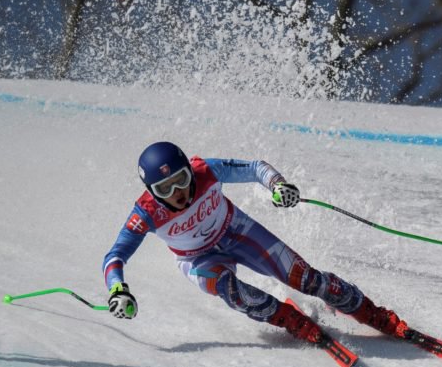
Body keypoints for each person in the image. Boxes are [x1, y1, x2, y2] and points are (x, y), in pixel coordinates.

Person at [102, 141, 408, 345]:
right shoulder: (146, 213)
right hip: (197, 260)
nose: (179, 192)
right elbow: (115, 257)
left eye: (181, 180)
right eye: (165, 189)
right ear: (151, 191)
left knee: (306, 278)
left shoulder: (204, 171)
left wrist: (278, 186)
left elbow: (254, 167)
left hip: (236, 231)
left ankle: (367, 310)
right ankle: (292, 321)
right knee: (229, 289)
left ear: (188, 170)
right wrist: (118, 289)